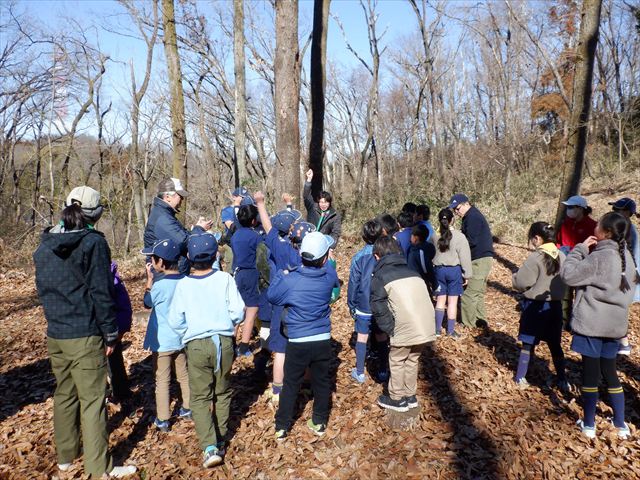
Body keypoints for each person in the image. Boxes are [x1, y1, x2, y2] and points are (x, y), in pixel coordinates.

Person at [33, 186, 136, 478]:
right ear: (95, 214)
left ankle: (66, 457)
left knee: (64, 393)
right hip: (85, 332)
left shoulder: (44, 243)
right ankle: (99, 468)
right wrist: (110, 333)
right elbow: (101, 292)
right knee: (93, 400)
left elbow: (45, 289)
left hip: (57, 332)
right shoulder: (93, 243)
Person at [168, 233, 245, 467]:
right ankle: (220, 439)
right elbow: (238, 312)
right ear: (215, 255)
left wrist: (187, 333)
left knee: (200, 397)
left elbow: (175, 320)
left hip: (196, 344)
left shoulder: (182, 285)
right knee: (222, 391)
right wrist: (229, 324)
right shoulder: (224, 279)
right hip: (223, 341)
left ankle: (210, 446)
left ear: (189, 257)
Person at [560, 212, 639, 439]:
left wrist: (580, 249)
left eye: (598, 225)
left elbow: (569, 275)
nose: (594, 226)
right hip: (615, 326)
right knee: (611, 373)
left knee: (590, 376)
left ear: (606, 233)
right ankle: (621, 423)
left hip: (592, 325)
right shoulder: (627, 259)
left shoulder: (598, 257)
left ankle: (589, 424)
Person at [268, 232, 340, 440]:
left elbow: (272, 296)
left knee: (291, 383)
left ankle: (282, 426)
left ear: (301, 254)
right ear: (325, 258)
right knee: (322, 381)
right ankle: (319, 421)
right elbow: (333, 283)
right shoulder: (329, 276)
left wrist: (281, 275)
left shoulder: (291, 280)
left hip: (297, 340)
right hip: (322, 338)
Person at [254, 191, 311, 403]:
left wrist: (260, 204)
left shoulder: (280, 249)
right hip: (304, 304)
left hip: (281, 304)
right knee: (304, 347)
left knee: (280, 349)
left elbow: (268, 228)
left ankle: (278, 389)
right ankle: (306, 385)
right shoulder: (309, 255)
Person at [370, 236, 436, 412]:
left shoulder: (381, 275)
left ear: (377, 256)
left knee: (397, 359)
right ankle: (410, 395)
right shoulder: (412, 271)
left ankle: (397, 398)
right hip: (426, 325)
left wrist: (389, 328)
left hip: (404, 326)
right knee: (412, 359)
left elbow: (377, 306)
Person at [141, 238, 191, 432]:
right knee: (183, 374)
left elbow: (147, 302)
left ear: (160, 262)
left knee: (162, 379)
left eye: (153, 259)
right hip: (182, 337)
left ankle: (163, 419)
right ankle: (187, 407)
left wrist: (149, 281)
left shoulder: (159, 286)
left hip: (162, 341)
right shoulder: (186, 282)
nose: (152, 263)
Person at [511, 222, 568, 390]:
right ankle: (562, 379)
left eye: (532, 239)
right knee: (555, 344)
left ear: (537, 238)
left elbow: (521, 283)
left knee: (528, 343)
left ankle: (521, 377)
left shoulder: (535, 258)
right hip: (555, 307)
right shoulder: (562, 256)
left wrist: (514, 277)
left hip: (534, 307)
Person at [144, 177, 212, 274]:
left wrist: (196, 229)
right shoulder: (162, 217)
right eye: (180, 196)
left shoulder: (164, 214)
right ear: (167, 197)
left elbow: (179, 236)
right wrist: (199, 229)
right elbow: (182, 242)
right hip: (165, 273)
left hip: (170, 271)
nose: (182, 199)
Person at [449, 194, 494, 329]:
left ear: (466, 203)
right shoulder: (470, 216)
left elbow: (470, 241)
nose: (456, 212)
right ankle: (480, 321)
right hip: (482, 258)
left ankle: (468, 324)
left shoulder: (472, 217)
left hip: (479, 259)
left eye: (457, 208)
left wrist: (456, 248)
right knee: (478, 292)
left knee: (469, 294)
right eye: (454, 210)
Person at [347, 220, 383, 384]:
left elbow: (353, 283)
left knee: (362, 337)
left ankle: (360, 372)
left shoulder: (359, 257)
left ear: (363, 236)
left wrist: (352, 304)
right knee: (381, 336)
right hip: (381, 304)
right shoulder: (386, 255)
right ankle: (383, 371)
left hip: (363, 304)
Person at [432, 209, 472, 338]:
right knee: (452, 302)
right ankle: (450, 331)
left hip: (438, 271)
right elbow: (465, 257)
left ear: (439, 221)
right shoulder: (460, 236)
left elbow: (429, 254)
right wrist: (467, 274)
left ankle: (437, 330)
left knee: (440, 300)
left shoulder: (434, 236)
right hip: (454, 271)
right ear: (452, 220)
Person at [230, 204, 263, 357]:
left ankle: (231, 343)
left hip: (237, 273)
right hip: (251, 274)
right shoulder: (255, 236)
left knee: (237, 310)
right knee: (251, 311)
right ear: (253, 221)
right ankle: (243, 346)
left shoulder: (235, 235)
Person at [608, 197, 639, 355]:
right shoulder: (624, 228)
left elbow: (628, 256)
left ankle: (623, 343)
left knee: (618, 309)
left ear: (627, 212)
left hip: (623, 275)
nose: (614, 212)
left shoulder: (628, 231)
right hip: (622, 273)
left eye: (618, 210)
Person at [106, 260, 133, 405]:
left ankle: (121, 393)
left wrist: (121, 330)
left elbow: (124, 305)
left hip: (111, 328)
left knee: (114, 362)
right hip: (96, 328)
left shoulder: (113, 279)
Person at [303, 169, 342, 247]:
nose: (323, 205)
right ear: (318, 202)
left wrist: (331, 247)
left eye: (326, 202)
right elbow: (306, 196)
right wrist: (309, 180)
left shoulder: (334, 215)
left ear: (330, 202)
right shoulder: (313, 208)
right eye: (321, 202)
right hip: (309, 241)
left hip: (323, 244)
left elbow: (335, 232)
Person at [407, 223, 436, 294]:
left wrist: (433, 281)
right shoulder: (412, 248)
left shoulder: (420, 251)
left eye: (412, 235)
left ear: (416, 238)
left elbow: (425, 267)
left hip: (421, 279)